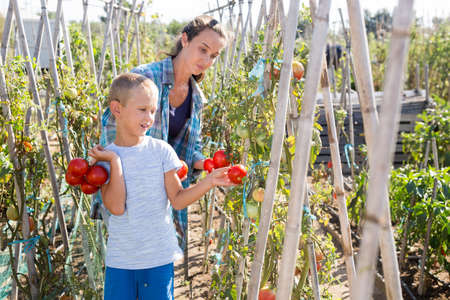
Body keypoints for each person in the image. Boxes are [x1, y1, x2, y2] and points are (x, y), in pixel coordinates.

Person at [89, 73, 234, 299]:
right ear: (117, 109)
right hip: (121, 260)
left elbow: (176, 198)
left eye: (153, 110)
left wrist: (209, 181)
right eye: (142, 109)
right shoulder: (106, 158)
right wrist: (115, 162)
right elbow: (116, 207)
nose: (149, 117)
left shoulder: (161, 151)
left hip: (158, 258)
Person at [91, 15, 229, 253]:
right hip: (128, 193)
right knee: (127, 264)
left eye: (214, 56)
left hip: (162, 199)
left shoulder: (197, 99)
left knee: (157, 264)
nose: (207, 60)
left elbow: (188, 148)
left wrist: (208, 164)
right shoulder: (145, 79)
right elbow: (111, 127)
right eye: (203, 49)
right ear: (185, 40)